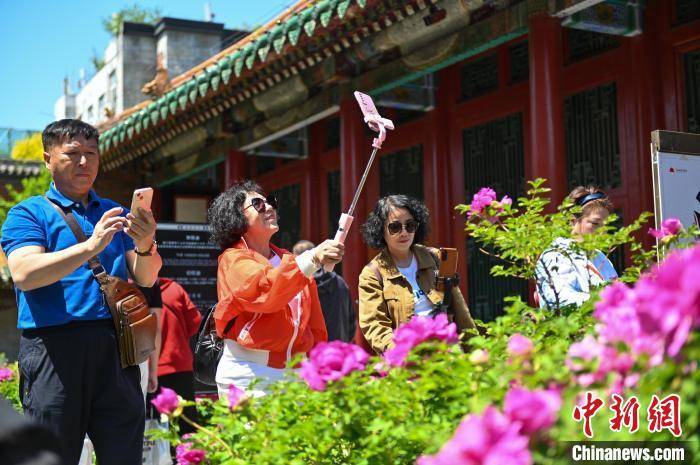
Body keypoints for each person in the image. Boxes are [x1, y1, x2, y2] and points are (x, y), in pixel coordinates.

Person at [0, 119, 162, 465]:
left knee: (124, 456)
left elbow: (146, 277)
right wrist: (91, 246)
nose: (84, 162)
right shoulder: (28, 212)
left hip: (116, 347)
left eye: (92, 153)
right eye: (73, 153)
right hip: (54, 348)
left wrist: (146, 243)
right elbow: (24, 273)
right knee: (51, 456)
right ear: (48, 159)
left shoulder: (114, 211)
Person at [208, 180, 343, 398]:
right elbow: (267, 290)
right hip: (248, 375)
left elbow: (315, 324)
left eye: (270, 202)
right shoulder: (232, 259)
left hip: (296, 376)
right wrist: (313, 258)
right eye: (258, 204)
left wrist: (319, 368)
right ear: (237, 217)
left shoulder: (288, 260)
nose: (269, 207)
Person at [358, 194, 477, 354]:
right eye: (395, 227)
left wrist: (475, 351)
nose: (404, 232)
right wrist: (404, 354)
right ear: (381, 230)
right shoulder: (372, 274)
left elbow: (460, 312)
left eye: (410, 225)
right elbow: (375, 327)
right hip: (409, 357)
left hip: (447, 352)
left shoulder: (436, 258)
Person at [534, 186, 618, 310]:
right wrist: (605, 300)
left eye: (606, 226)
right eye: (595, 223)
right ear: (573, 221)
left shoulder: (601, 257)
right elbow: (559, 301)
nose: (602, 231)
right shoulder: (555, 254)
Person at [157, 277, 202, 434]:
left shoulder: (128, 291)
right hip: (179, 364)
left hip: (145, 369)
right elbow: (195, 322)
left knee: (154, 423)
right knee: (186, 423)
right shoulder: (174, 288)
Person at [292, 240, 356, 343]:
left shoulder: (301, 286)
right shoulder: (340, 282)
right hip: (338, 345)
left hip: (312, 348)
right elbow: (351, 321)